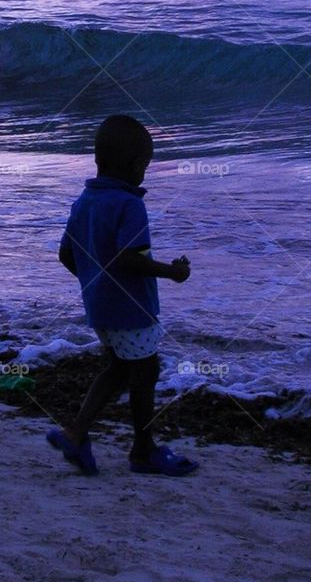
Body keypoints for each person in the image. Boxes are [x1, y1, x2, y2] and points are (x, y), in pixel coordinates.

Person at [48, 114, 198, 477]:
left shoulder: (85, 200)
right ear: (136, 165)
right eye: (145, 165)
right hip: (132, 310)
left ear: (99, 160)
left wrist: (94, 282)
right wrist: (172, 272)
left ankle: (77, 433)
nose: (144, 172)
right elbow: (130, 258)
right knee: (145, 371)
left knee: (118, 370)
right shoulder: (130, 205)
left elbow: (66, 254)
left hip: (100, 308)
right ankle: (143, 450)